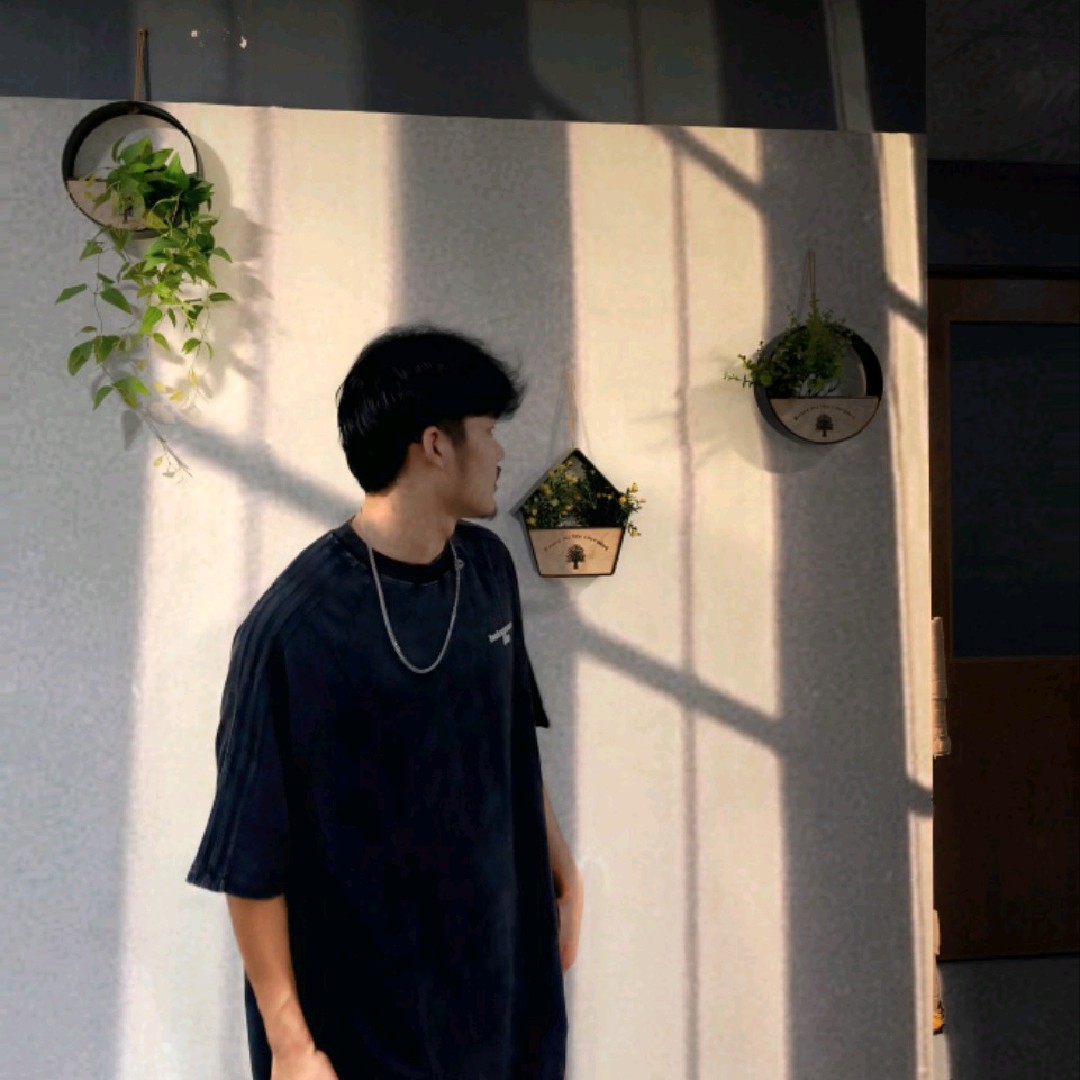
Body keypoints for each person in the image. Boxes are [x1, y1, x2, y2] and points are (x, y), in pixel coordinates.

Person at [187, 327, 582, 1079]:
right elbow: (250, 860)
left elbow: (508, 742)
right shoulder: (294, 628)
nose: (500, 453)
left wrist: (562, 869)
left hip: (499, 985)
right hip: (363, 1016)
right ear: (435, 444)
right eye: (488, 431)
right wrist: (291, 1046)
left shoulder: (488, 569)